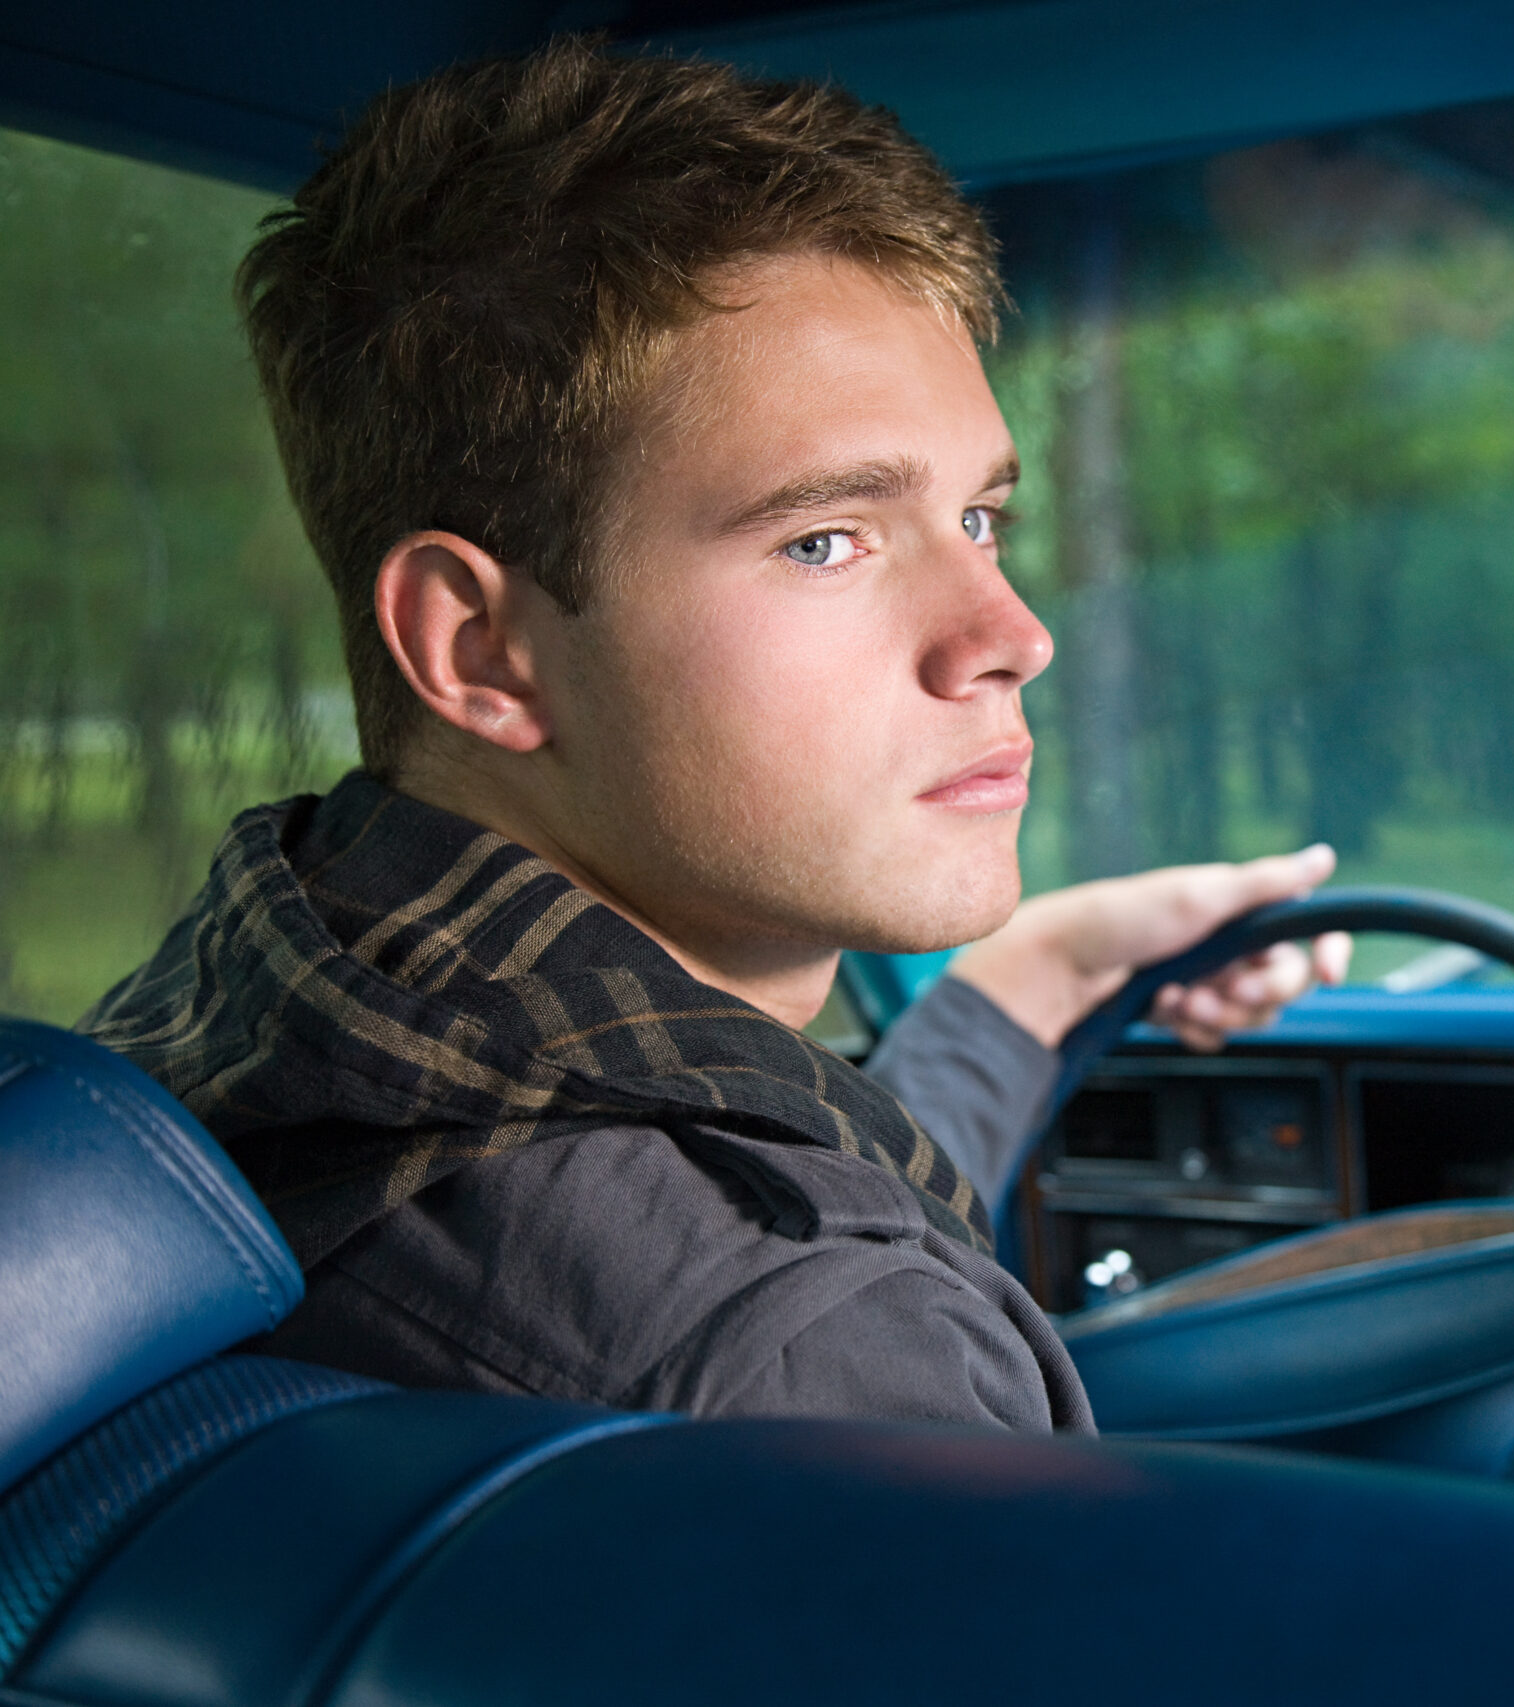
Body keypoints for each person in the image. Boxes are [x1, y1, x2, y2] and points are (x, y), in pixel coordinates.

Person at [77, 37, 1348, 1432]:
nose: (1010, 633)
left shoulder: (272, 1022)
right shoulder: (816, 1358)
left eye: (980, 518)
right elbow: (755, 1279)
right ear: (480, 651)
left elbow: (709, 1174)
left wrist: (1034, 982)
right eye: (825, 540)